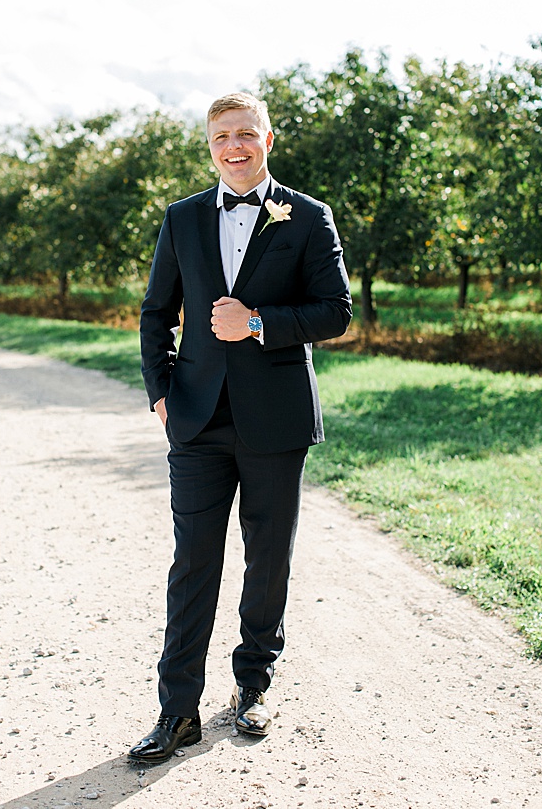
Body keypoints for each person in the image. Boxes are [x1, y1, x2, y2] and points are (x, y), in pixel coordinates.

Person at [128, 91, 351, 763]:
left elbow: (335, 312)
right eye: (222, 135)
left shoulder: (308, 217)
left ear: (268, 140)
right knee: (192, 562)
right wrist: (160, 393)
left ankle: (253, 686)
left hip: (275, 420)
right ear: (209, 145)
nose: (235, 146)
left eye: (246, 134)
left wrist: (257, 324)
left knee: (268, 558)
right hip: (195, 419)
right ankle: (176, 712)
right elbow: (154, 312)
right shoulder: (183, 218)